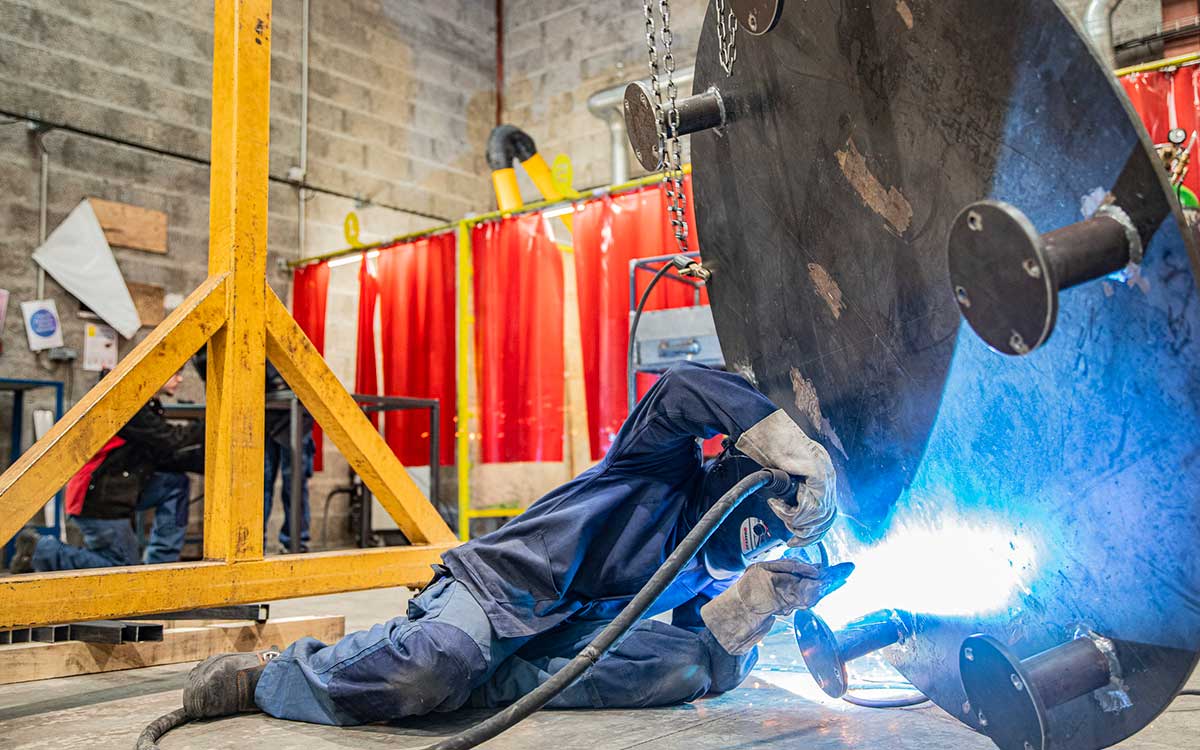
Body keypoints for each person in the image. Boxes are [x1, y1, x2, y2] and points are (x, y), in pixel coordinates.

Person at [182, 362, 850, 726]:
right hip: (494, 593)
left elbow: (706, 664)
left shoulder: (702, 582)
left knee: (683, 669)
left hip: (554, 643)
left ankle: (478, 685)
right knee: (435, 660)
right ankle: (277, 676)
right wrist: (780, 437)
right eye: (770, 520)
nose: (759, 545)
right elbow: (679, 389)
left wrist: (749, 608)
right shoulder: (658, 470)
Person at [9, 370, 203, 573]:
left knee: (174, 483)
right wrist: (208, 425)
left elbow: (161, 456)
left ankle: (160, 567)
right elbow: (170, 438)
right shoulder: (128, 404)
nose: (180, 379)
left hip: (119, 489)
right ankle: (41, 551)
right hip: (98, 498)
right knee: (122, 571)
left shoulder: (147, 407)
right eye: (175, 372)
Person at [263, 362, 315, 553]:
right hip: (266, 416)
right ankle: (252, 543)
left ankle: (295, 542)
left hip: (295, 415)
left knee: (294, 485)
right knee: (261, 485)